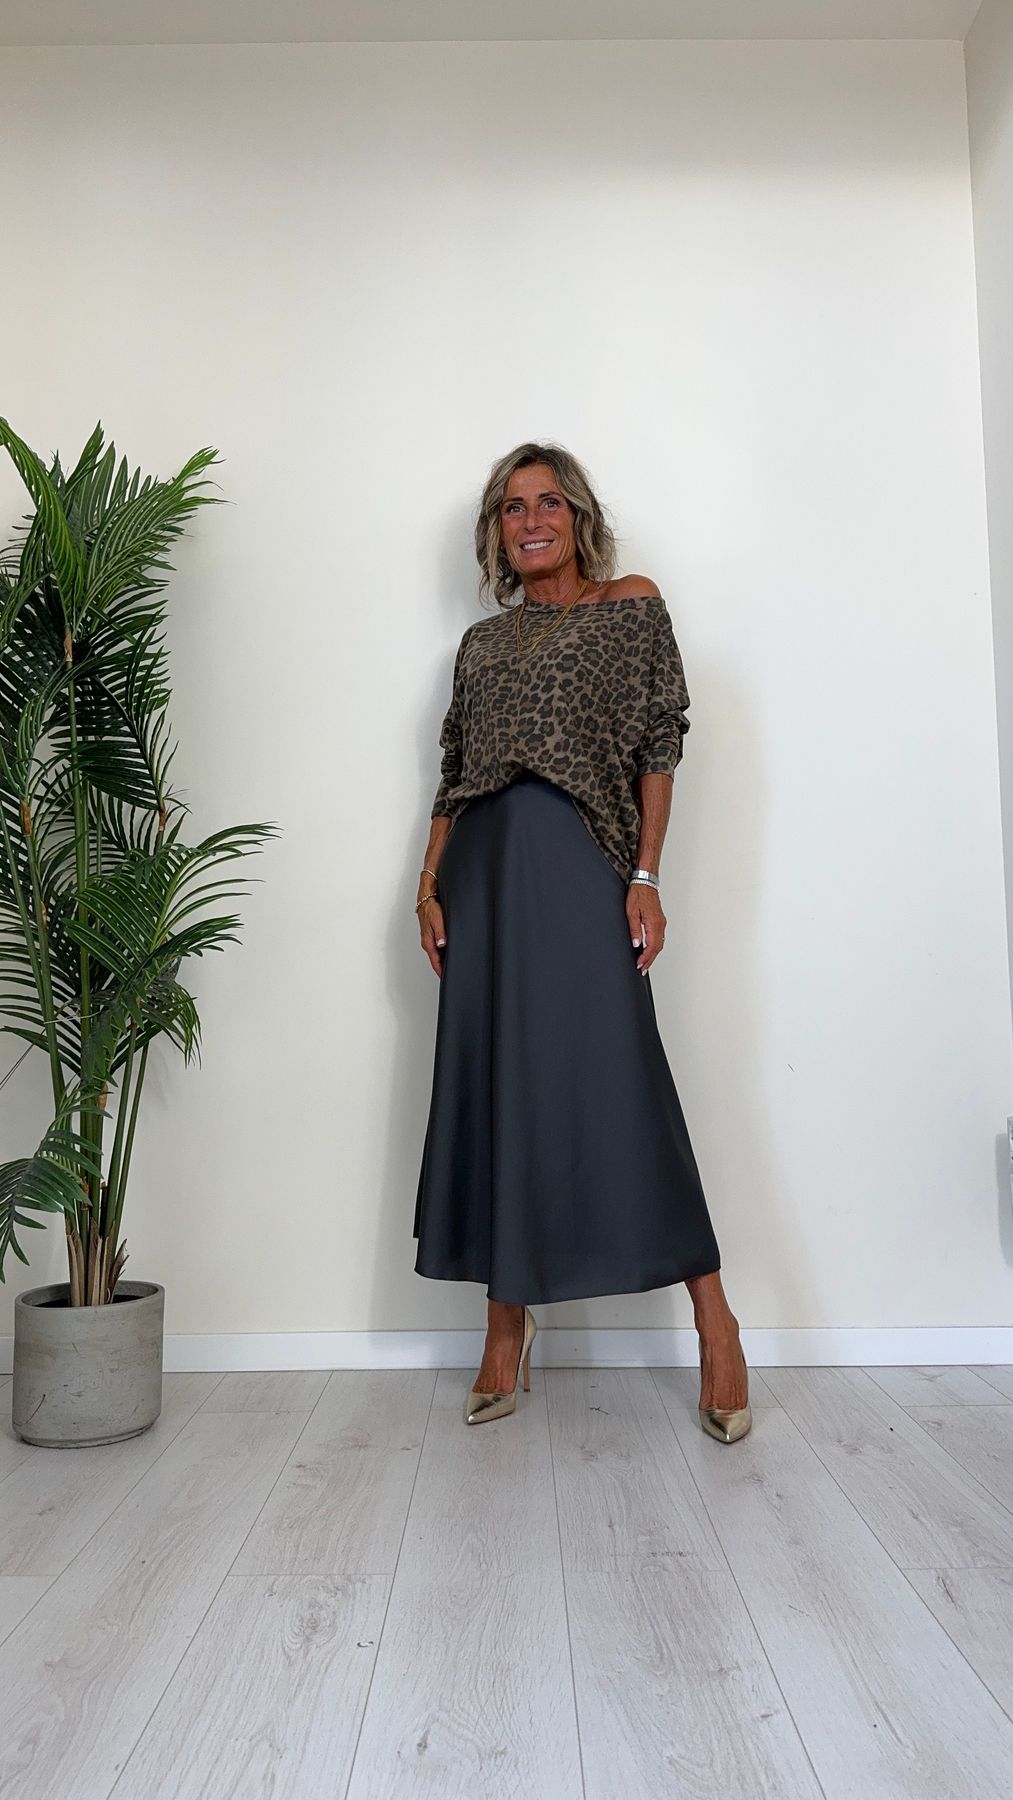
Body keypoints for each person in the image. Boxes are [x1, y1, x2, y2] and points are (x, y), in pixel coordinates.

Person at [413, 441, 750, 1443]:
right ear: (496, 531)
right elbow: (454, 772)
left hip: (578, 863)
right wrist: (425, 885)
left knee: (620, 1080)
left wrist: (645, 877)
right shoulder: (479, 645)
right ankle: (503, 1324)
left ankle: (715, 1320)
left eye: (548, 502)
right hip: (481, 875)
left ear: (578, 518)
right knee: (496, 1085)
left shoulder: (628, 606)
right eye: (512, 507)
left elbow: (657, 744)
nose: (531, 520)